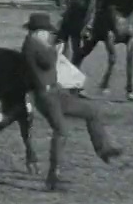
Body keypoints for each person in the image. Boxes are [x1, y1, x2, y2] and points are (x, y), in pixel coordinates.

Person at [21, 13, 122, 189]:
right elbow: (48, 62)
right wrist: (54, 49)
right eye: (46, 32)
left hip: (55, 92)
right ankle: (54, 175)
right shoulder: (33, 46)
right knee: (61, 131)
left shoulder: (35, 44)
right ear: (38, 32)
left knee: (92, 111)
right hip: (46, 96)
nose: (48, 35)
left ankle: (103, 148)